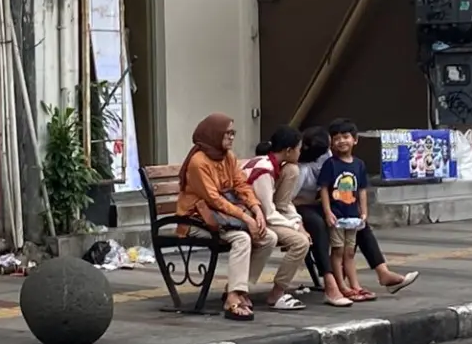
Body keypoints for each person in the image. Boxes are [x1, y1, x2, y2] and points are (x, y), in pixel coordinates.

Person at [296, 125, 419, 304]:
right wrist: (323, 205)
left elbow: (358, 188)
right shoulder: (300, 170)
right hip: (304, 207)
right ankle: (332, 282)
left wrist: (362, 211)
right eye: (332, 142)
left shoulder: (331, 157)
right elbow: (288, 200)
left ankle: (382, 272)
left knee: (359, 223)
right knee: (320, 226)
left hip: (330, 202)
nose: (335, 145)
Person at [176, 113, 274, 321]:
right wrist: (246, 218)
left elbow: (241, 185)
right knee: (242, 238)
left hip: (222, 217)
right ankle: (232, 299)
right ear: (214, 134)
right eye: (227, 133)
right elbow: (213, 199)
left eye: (233, 133)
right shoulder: (198, 162)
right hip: (195, 219)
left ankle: (238, 289)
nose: (231, 137)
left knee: (268, 238)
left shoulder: (227, 156)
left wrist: (256, 209)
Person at [242, 127, 312, 310]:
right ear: (288, 150)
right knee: (300, 242)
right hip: (250, 218)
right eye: (298, 148)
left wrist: (297, 222)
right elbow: (268, 213)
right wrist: (295, 227)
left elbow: (282, 204)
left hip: (261, 217)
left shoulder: (274, 165)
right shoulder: (264, 171)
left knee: (298, 237)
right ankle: (276, 292)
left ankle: (245, 289)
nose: (300, 152)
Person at [318, 119, 371, 301]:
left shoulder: (359, 165)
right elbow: (324, 188)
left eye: (345, 137)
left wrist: (363, 211)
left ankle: (355, 284)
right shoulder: (330, 164)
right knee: (338, 250)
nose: (341, 141)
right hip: (337, 215)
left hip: (353, 216)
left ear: (355, 140)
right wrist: (327, 212)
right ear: (331, 142)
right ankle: (341, 285)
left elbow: (362, 190)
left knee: (350, 251)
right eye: (337, 138)